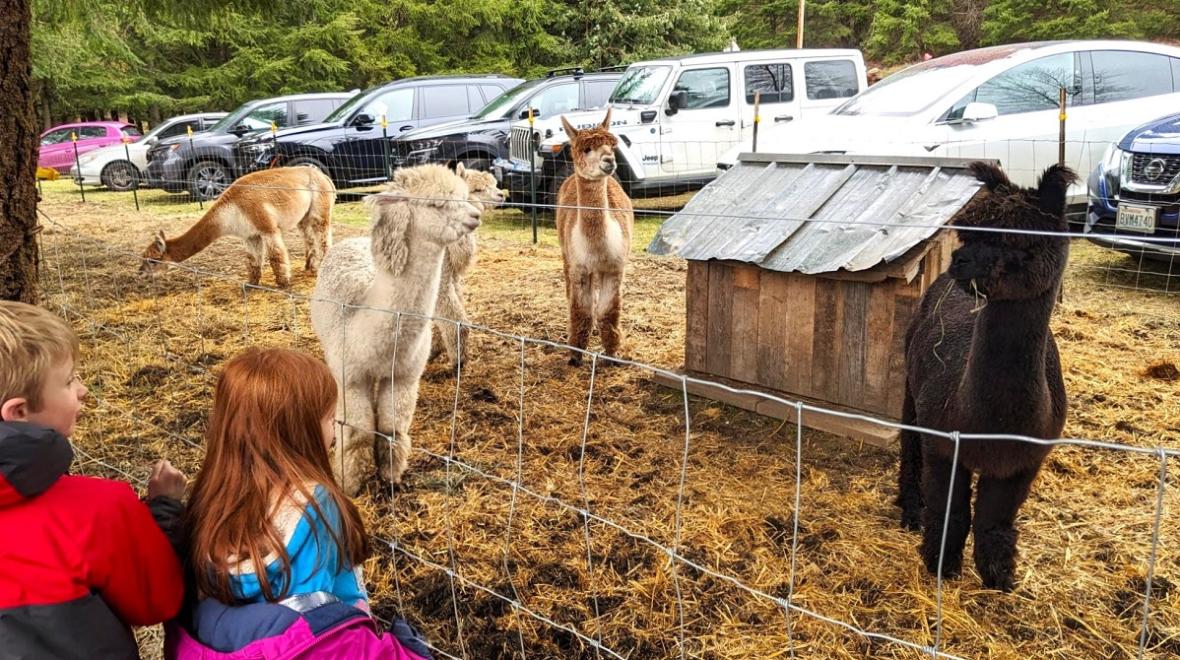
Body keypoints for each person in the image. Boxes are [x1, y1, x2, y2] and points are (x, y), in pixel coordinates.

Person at [168, 347, 432, 660]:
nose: (334, 432)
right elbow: (314, 621)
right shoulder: (316, 505)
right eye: (330, 419)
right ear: (300, 431)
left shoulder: (212, 498)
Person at [0, 300, 186, 659]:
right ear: (19, 412)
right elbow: (157, 602)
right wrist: (164, 509)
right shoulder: (99, 508)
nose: (83, 390)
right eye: (69, 381)